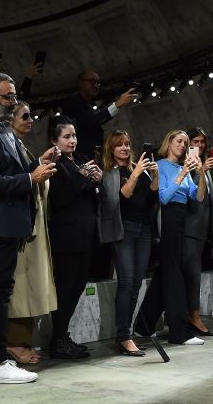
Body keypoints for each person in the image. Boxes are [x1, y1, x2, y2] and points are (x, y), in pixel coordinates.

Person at [0, 72, 57, 384]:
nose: (14, 102)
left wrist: (37, 164)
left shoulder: (2, 129)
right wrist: (32, 178)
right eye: (9, 96)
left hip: (9, 223)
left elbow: (14, 170)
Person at [61, 71, 136, 280]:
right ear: (80, 83)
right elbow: (89, 122)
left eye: (98, 82)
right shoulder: (73, 104)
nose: (96, 85)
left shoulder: (88, 106)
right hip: (79, 171)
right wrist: (117, 105)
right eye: (91, 81)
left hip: (95, 169)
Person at [135, 130, 207, 346]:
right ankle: (179, 332)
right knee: (174, 274)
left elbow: (198, 197)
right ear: (169, 142)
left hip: (181, 220)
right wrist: (183, 173)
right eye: (179, 141)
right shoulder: (160, 165)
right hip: (167, 220)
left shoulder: (182, 167)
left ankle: (143, 326)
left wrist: (202, 174)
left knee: (166, 273)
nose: (183, 145)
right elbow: (164, 197)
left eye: (185, 143)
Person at [5, 102, 57, 364]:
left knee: (30, 285)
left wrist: (39, 163)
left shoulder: (20, 146)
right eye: (24, 116)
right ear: (10, 119)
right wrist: (36, 170)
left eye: (31, 115)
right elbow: (15, 178)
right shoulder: (6, 145)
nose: (30, 120)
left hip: (31, 223)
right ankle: (14, 343)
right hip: (20, 227)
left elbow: (28, 173)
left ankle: (22, 341)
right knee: (21, 287)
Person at [46, 115, 102, 359]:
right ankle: (57, 339)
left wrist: (97, 181)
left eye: (74, 135)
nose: (72, 140)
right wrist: (83, 177)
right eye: (66, 136)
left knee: (78, 287)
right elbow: (59, 200)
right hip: (66, 236)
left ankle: (62, 336)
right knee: (65, 289)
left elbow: (93, 196)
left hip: (86, 234)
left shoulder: (80, 160)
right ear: (54, 140)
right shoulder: (54, 164)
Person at [99, 130, 158, 356]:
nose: (124, 148)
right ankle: (123, 335)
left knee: (136, 283)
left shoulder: (138, 169)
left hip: (144, 230)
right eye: (119, 145)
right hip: (124, 230)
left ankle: (128, 332)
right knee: (126, 281)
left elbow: (152, 198)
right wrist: (136, 174)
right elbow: (120, 198)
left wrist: (155, 176)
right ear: (111, 149)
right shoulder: (110, 172)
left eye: (126, 144)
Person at [183, 127, 213, 337]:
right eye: (195, 141)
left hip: (202, 228)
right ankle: (193, 317)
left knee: (193, 273)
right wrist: (201, 170)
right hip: (189, 227)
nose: (199, 145)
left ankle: (189, 316)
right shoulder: (187, 164)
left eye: (202, 141)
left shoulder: (203, 164)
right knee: (191, 274)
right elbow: (194, 194)